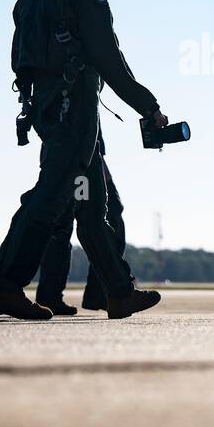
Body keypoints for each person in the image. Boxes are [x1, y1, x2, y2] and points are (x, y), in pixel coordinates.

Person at [0, 0, 166, 320]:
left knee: (93, 203)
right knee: (50, 198)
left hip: (47, 110)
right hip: (77, 112)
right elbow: (108, 58)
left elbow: (21, 60)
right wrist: (147, 105)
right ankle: (7, 287)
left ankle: (119, 293)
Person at [34, 132, 130, 315]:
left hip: (67, 154)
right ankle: (101, 292)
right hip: (82, 158)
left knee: (61, 222)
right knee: (106, 214)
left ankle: (50, 295)